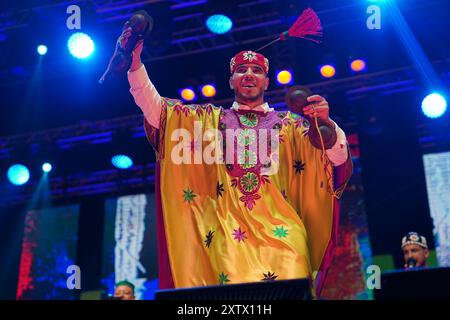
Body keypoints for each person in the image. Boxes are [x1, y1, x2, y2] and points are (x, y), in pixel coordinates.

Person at [122, 28, 352, 297]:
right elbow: (158, 112)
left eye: (257, 70)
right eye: (242, 70)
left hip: (284, 233)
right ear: (231, 81)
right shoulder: (208, 122)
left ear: (267, 81)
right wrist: (135, 65)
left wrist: (325, 124)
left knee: (294, 283)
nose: (249, 75)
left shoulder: (291, 127)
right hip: (230, 235)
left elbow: (337, 160)